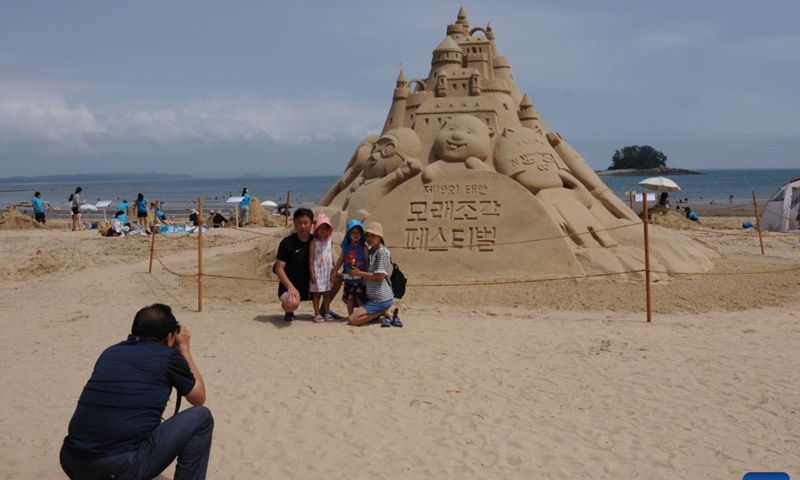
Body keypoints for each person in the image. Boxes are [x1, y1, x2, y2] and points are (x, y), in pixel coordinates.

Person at [59, 304, 213, 480]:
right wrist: (184, 349)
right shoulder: (168, 357)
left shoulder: (110, 352)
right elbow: (199, 398)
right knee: (202, 417)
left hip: (71, 461)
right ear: (170, 336)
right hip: (114, 469)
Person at [274, 208, 341, 322]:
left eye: (306, 223)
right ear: (294, 224)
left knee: (338, 277)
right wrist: (290, 287)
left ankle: (324, 310)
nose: (303, 226)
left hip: (312, 283)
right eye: (299, 223)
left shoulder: (318, 240)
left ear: (311, 224)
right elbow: (278, 268)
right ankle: (289, 311)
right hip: (292, 285)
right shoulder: (287, 243)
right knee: (291, 303)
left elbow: (329, 256)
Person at [347, 222, 400, 327]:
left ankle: (381, 312)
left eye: (373, 235)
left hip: (381, 298)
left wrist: (359, 273)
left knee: (353, 320)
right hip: (372, 296)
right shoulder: (372, 251)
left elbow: (380, 277)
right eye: (367, 235)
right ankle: (382, 311)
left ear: (380, 237)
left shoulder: (382, 252)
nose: (369, 238)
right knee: (347, 298)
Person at [334, 220, 368, 316]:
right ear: (348, 234)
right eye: (353, 232)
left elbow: (367, 263)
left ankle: (361, 316)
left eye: (358, 232)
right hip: (349, 279)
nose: (355, 234)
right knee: (349, 298)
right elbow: (341, 259)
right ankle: (350, 316)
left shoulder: (363, 247)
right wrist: (335, 270)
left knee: (359, 298)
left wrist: (366, 276)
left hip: (360, 279)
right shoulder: (346, 247)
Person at [309, 214, 336, 322]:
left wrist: (333, 267)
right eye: (320, 228)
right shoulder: (313, 242)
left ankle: (327, 312)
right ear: (316, 229)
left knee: (327, 294)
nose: (322, 231)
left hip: (327, 271)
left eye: (325, 228)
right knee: (316, 294)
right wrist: (312, 272)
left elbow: (331, 254)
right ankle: (316, 313)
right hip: (317, 271)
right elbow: (311, 259)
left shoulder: (330, 241)